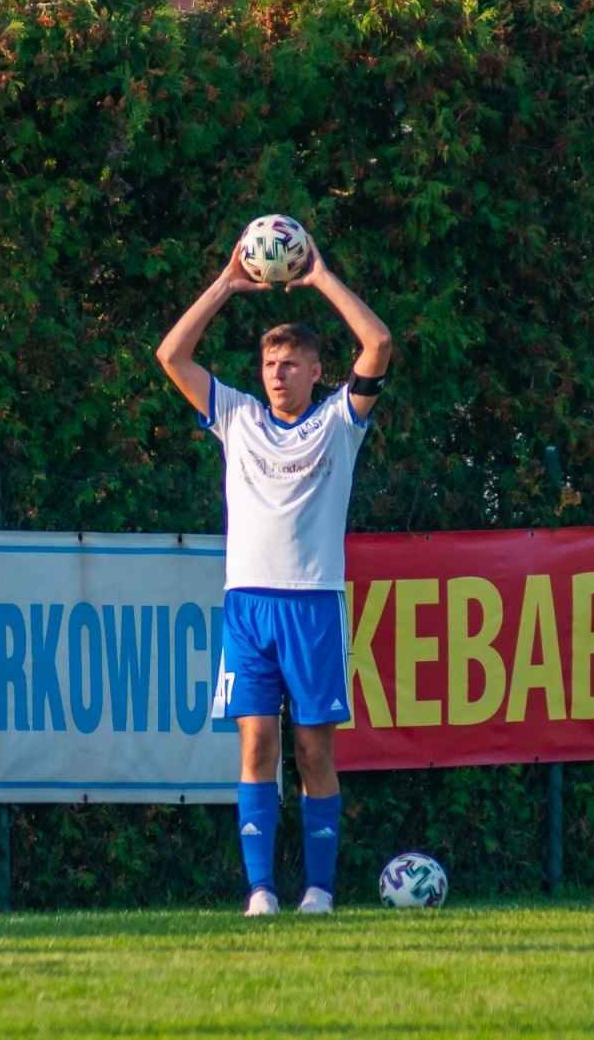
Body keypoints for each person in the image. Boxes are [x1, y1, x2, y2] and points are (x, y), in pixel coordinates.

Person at [156, 237, 391, 915]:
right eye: (268, 363)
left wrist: (320, 276)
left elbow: (377, 344)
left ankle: (318, 890)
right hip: (248, 606)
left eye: (291, 364)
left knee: (314, 750)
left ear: (319, 371)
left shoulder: (340, 424)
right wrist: (227, 282)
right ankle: (259, 890)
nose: (277, 375)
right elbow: (171, 356)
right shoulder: (236, 416)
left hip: (313, 606)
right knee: (256, 741)